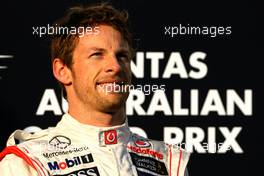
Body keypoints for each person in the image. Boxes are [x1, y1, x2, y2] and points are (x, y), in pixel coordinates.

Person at [0, 3, 190, 176]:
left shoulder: (168, 161)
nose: (115, 66)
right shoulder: (29, 162)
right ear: (62, 70)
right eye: (97, 54)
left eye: (122, 55)